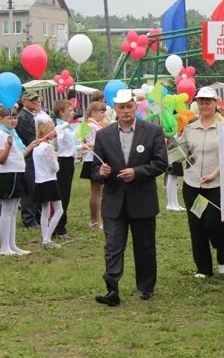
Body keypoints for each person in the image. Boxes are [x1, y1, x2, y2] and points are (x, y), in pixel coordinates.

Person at [92, 89, 168, 307]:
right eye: (121, 107)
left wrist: (138, 172)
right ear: (115, 109)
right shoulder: (104, 135)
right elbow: (95, 168)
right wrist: (101, 173)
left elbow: (161, 163)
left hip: (142, 198)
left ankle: (146, 286)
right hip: (114, 200)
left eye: (129, 107)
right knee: (113, 245)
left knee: (144, 246)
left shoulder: (152, 131)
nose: (125, 111)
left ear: (135, 107)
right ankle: (112, 288)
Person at [178, 87, 224, 278]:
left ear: (216, 103)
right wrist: (170, 140)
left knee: (214, 224)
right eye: (201, 101)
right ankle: (203, 268)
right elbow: (180, 151)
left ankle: (222, 251)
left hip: (216, 185)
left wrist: (215, 174)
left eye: (208, 101)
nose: (204, 105)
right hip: (193, 184)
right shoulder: (190, 128)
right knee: (197, 226)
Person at [0, 107, 37, 255]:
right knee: (7, 210)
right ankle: (4, 247)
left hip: (18, 173)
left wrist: (31, 145)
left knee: (13, 211)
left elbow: (19, 155)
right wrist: (8, 146)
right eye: (9, 117)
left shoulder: (13, 134)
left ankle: (12, 245)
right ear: (1, 119)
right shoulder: (0, 134)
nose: (13, 120)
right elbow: (1, 160)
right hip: (8, 175)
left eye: (15, 117)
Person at [16, 90, 47, 228]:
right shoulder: (24, 117)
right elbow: (31, 138)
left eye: (36, 99)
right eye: (31, 99)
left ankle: (37, 215)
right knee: (29, 187)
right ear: (24, 101)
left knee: (36, 186)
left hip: (34, 155)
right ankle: (29, 218)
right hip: (29, 156)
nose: (35, 101)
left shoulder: (31, 115)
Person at [33, 119, 63, 249]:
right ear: (46, 131)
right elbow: (54, 168)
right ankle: (47, 238)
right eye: (52, 129)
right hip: (50, 181)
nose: (54, 132)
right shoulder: (48, 147)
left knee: (45, 211)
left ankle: (45, 237)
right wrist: (56, 159)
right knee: (59, 210)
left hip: (40, 181)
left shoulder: (36, 148)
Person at [53, 100, 77, 239]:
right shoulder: (60, 128)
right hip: (63, 162)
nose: (72, 112)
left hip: (68, 161)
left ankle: (60, 224)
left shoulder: (67, 127)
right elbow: (58, 146)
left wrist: (82, 147)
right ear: (61, 112)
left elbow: (70, 148)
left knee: (65, 193)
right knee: (63, 195)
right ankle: (60, 227)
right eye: (69, 110)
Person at [80, 103, 106, 229]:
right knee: (96, 191)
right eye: (100, 111)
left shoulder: (87, 124)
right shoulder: (93, 126)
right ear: (93, 113)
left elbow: (81, 139)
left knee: (98, 191)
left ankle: (96, 220)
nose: (103, 113)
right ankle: (94, 221)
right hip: (94, 159)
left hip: (93, 158)